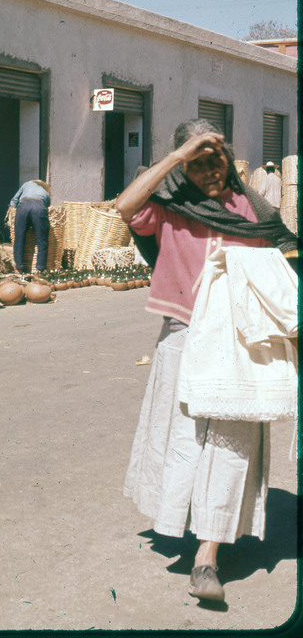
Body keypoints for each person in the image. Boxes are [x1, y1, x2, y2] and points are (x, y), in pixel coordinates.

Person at [116, 119, 297, 603]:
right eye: (197, 164)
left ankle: (207, 557)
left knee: (230, 443)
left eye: (215, 160)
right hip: (183, 334)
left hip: (241, 347)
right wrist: (178, 158)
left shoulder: (252, 210)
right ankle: (180, 520)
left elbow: (286, 261)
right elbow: (124, 206)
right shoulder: (169, 204)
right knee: (184, 441)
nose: (209, 172)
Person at [9, 179, 51, 273]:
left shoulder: (26, 184)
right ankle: (40, 268)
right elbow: (47, 205)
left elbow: (14, 200)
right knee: (42, 239)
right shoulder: (45, 192)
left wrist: (13, 209)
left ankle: (19, 267)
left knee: (19, 237)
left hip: (23, 207)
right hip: (39, 208)